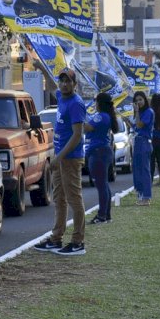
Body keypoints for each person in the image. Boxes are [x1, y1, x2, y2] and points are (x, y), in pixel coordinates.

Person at [34, 68, 87, 255]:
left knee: (74, 199)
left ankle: (78, 242)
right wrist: (41, 69)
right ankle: (56, 238)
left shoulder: (75, 104)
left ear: (75, 84)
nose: (64, 84)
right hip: (60, 158)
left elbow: (77, 135)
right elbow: (50, 85)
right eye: (62, 80)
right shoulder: (61, 95)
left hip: (70, 158)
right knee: (59, 199)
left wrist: (60, 157)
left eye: (68, 81)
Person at [84, 91, 119, 224]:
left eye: (96, 101)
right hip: (102, 152)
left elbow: (87, 127)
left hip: (98, 152)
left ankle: (102, 215)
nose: (95, 104)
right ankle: (106, 214)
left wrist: (80, 117)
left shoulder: (101, 116)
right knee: (103, 184)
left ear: (100, 103)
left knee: (101, 185)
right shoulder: (106, 116)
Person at [131, 90, 154, 205]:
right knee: (137, 169)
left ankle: (146, 197)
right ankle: (140, 194)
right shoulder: (139, 113)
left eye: (140, 99)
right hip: (137, 141)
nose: (138, 102)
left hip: (145, 142)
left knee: (144, 170)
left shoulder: (148, 112)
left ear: (145, 99)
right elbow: (136, 127)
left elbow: (140, 125)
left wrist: (137, 112)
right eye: (136, 101)